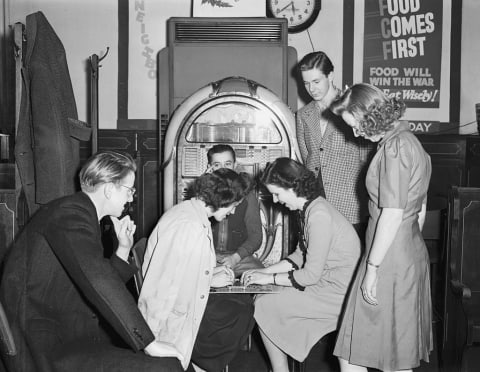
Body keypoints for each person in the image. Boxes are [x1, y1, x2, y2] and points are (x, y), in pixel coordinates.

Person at [0, 151, 186, 372]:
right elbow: (97, 279)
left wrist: (123, 248)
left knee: (166, 362)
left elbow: (92, 280)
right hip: (46, 346)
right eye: (129, 190)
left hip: (66, 331)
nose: (131, 198)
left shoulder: (78, 213)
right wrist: (149, 343)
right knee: (167, 366)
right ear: (109, 189)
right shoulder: (71, 214)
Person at [330, 83, 433, 372]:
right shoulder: (410, 141)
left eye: (355, 125)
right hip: (403, 251)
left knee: (359, 353)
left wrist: (373, 268)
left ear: (369, 116)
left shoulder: (395, 148)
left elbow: (392, 212)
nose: (355, 133)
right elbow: (420, 209)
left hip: (387, 258)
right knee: (389, 353)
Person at [241, 158, 361, 372]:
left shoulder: (318, 215)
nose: (276, 201)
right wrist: (265, 271)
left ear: (291, 186)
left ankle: (280, 370)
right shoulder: (311, 208)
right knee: (263, 298)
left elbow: (309, 276)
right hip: (328, 285)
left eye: (277, 194)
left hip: (340, 294)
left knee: (264, 303)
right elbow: (300, 255)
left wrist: (268, 279)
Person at [138, 168, 256, 372]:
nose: (234, 212)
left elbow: (184, 268)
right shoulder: (188, 225)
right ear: (223, 199)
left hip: (181, 303)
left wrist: (212, 272)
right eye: (234, 205)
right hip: (172, 317)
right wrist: (150, 338)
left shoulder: (190, 214)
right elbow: (165, 284)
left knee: (241, 305)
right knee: (239, 312)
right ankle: (202, 364)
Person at [296, 51, 373, 239]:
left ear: (330, 76)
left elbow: (368, 160)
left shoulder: (352, 107)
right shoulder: (303, 115)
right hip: (316, 202)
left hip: (351, 206)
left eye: (316, 81)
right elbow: (307, 158)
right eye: (306, 83)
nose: (311, 89)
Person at [206, 144, 264, 276]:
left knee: (260, 275)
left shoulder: (248, 196)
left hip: (238, 258)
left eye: (227, 164)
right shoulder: (203, 195)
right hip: (207, 257)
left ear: (235, 165)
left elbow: (256, 236)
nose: (223, 170)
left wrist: (235, 257)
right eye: (217, 165)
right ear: (209, 167)